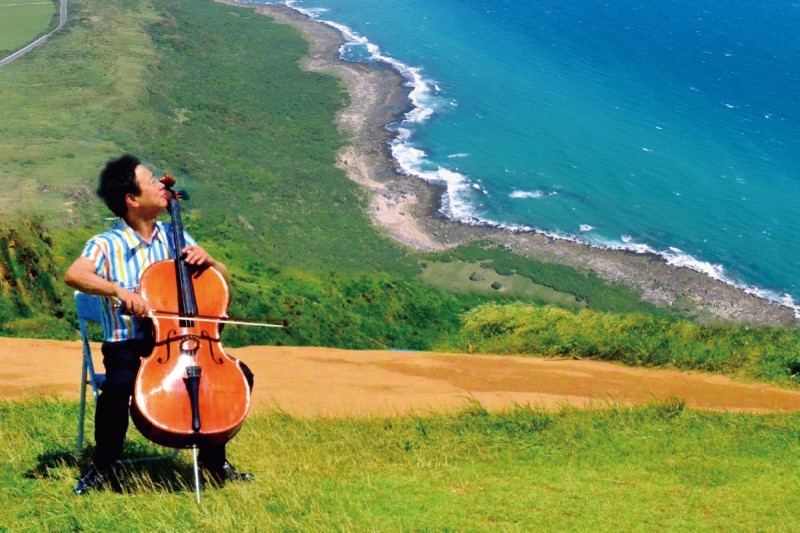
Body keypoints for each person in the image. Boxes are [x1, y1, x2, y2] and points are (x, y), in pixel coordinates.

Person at [65, 154, 253, 495]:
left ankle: (214, 463)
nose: (161, 187)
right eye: (151, 182)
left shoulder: (176, 236)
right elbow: (74, 274)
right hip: (127, 342)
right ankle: (103, 466)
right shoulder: (106, 243)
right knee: (118, 385)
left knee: (239, 376)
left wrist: (211, 262)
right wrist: (119, 290)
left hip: (182, 340)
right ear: (132, 200)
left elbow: (220, 280)